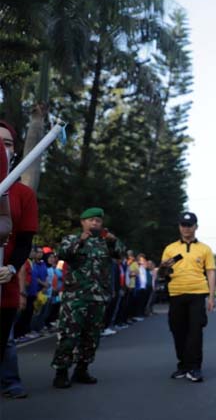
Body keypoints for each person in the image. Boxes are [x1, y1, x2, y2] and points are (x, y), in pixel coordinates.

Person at [52, 207, 126, 388]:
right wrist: (80, 240)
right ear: (83, 222)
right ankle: (61, 372)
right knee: (69, 335)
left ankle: (82, 370)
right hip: (75, 297)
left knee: (91, 337)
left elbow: (120, 254)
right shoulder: (71, 238)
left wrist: (113, 241)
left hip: (98, 297)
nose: (95, 223)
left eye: (98, 221)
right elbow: (63, 255)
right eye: (91, 220)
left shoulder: (105, 242)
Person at [160, 212, 216, 383]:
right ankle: (183, 365)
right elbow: (163, 274)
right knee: (178, 330)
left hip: (197, 293)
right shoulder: (170, 249)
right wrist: (164, 267)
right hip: (176, 293)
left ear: (196, 227)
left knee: (195, 331)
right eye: (183, 225)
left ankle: (195, 367)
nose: (186, 228)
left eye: (190, 225)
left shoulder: (205, 249)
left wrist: (212, 297)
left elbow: (211, 272)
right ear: (179, 227)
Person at [0, 120, 36, 356]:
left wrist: (11, 267)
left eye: (7, 143)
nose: (2, 148)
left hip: (4, 292)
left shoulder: (23, 194)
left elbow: (24, 241)